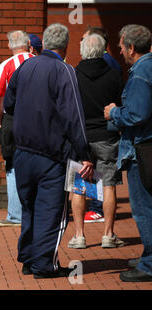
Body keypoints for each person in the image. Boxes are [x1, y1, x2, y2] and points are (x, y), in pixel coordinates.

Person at [4, 23, 93, 279]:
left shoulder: (24, 67)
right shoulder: (64, 70)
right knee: (51, 211)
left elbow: (9, 104)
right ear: (65, 46)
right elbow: (74, 116)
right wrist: (84, 153)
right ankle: (44, 264)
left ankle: (29, 258)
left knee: (30, 208)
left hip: (23, 152)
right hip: (51, 154)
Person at [104, 24, 152, 282]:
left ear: (132, 48)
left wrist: (114, 113)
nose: (119, 50)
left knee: (144, 209)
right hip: (145, 148)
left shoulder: (142, 71)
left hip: (142, 149)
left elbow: (137, 114)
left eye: (121, 46)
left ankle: (149, 264)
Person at [68, 33, 125, 250]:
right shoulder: (113, 75)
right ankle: (108, 235)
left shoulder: (73, 75)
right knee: (109, 185)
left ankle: (79, 236)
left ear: (82, 51)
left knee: (79, 186)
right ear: (102, 51)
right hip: (107, 137)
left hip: (81, 138)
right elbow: (119, 105)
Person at [0, 30, 34, 227]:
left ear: (9, 45)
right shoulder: (40, 61)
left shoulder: (6, 65)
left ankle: (16, 215)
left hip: (13, 118)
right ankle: (36, 212)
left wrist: (0, 119)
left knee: (12, 166)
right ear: (28, 44)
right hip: (39, 120)